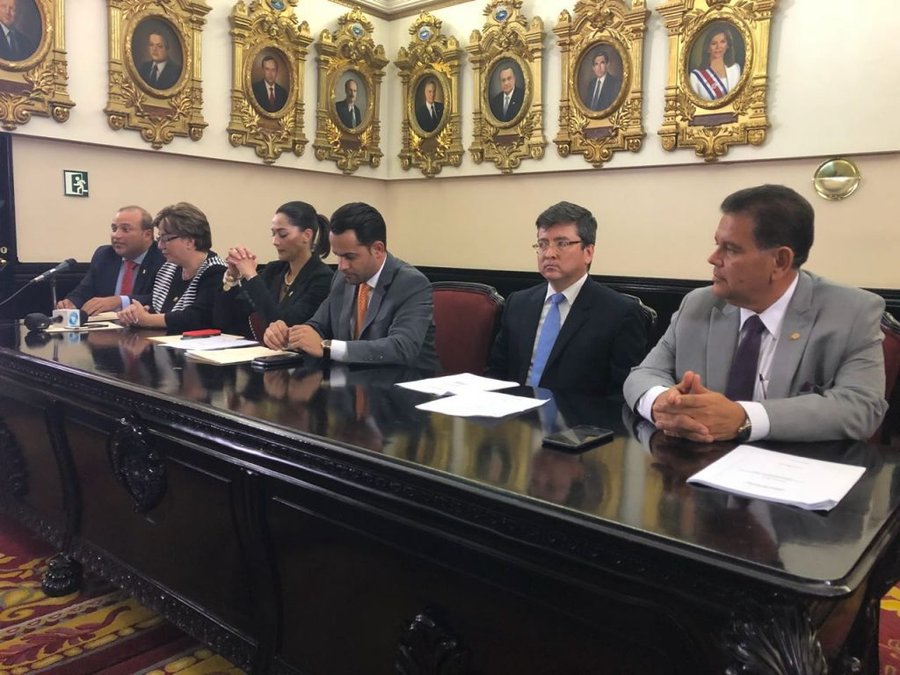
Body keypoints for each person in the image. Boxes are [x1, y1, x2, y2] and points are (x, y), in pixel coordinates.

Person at [623, 184, 888, 443]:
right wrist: (662, 403)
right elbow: (643, 374)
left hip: (796, 466)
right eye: (717, 244)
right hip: (700, 462)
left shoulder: (851, 312)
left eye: (731, 249)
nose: (713, 258)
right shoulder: (699, 304)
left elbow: (862, 406)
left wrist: (744, 418)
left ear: (780, 261)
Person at [485, 201, 649, 395]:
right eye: (542, 244)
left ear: (588, 252)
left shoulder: (620, 313)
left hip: (579, 414)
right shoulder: (518, 303)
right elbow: (496, 373)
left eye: (562, 244)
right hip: (514, 411)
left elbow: (623, 392)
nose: (549, 254)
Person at [264, 202, 438, 371]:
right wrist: (290, 335)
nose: (342, 266)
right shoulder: (343, 278)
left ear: (377, 249)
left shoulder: (411, 283)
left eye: (350, 257)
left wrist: (327, 347)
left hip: (404, 383)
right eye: (338, 256)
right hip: (351, 382)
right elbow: (319, 325)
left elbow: (402, 347)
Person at [216, 201, 333, 338]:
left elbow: (283, 325)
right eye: (273, 234)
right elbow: (226, 319)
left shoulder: (322, 278)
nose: (275, 241)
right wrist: (232, 278)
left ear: (306, 235)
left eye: (282, 234)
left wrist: (251, 275)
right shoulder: (274, 270)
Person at [117, 202, 226, 332]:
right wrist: (135, 312)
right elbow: (155, 308)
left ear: (190, 241)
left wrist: (146, 319)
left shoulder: (216, 271)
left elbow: (198, 318)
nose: (160, 246)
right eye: (159, 238)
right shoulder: (167, 269)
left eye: (166, 239)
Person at [57, 205, 164, 316]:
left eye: (125, 229)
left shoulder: (163, 258)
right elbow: (85, 290)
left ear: (147, 235)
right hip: (105, 324)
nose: (116, 235)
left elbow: (160, 300)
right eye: (114, 229)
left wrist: (121, 300)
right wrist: (71, 302)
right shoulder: (105, 255)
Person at [689, 24, 741, 101]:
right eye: (714, 43)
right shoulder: (696, 77)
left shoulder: (735, 69)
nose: (718, 46)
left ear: (728, 45)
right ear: (707, 48)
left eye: (722, 42)